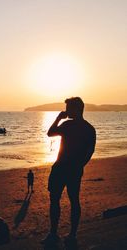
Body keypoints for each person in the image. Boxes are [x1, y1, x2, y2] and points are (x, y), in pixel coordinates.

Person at [42, 97, 96, 246]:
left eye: (68, 108)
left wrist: (58, 117)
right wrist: (80, 165)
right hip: (74, 169)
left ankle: (54, 234)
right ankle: (72, 235)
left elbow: (50, 132)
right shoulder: (89, 128)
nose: (66, 111)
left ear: (76, 109)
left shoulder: (67, 125)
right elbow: (90, 151)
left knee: (55, 200)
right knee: (73, 201)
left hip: (61, 168)